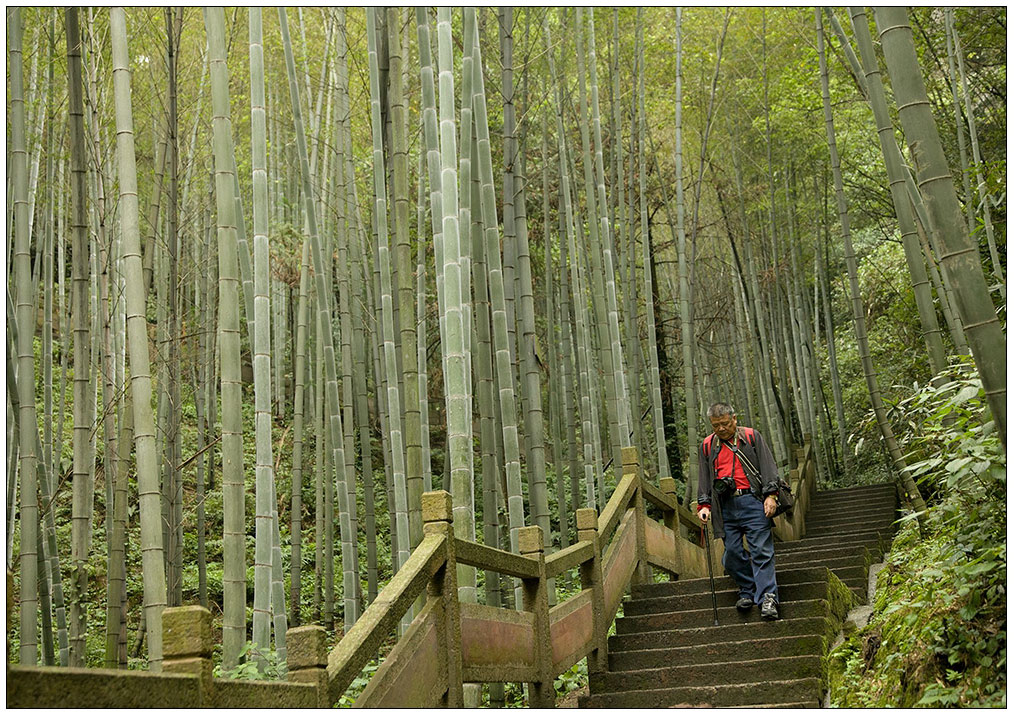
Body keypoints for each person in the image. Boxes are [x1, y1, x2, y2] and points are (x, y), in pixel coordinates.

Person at [696, 402, 781, 620]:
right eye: (716, 426)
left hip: (753, 500)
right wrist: (704, 504)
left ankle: (768, 598)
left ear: (734, 418)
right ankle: (748, 588)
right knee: (731, 554)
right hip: (724, 506)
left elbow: (768, 466)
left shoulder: (751, 437)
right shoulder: (708, 445)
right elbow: (704, 477)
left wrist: (771, 496)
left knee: (761, 550)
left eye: (725, 424)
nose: (721, 429)